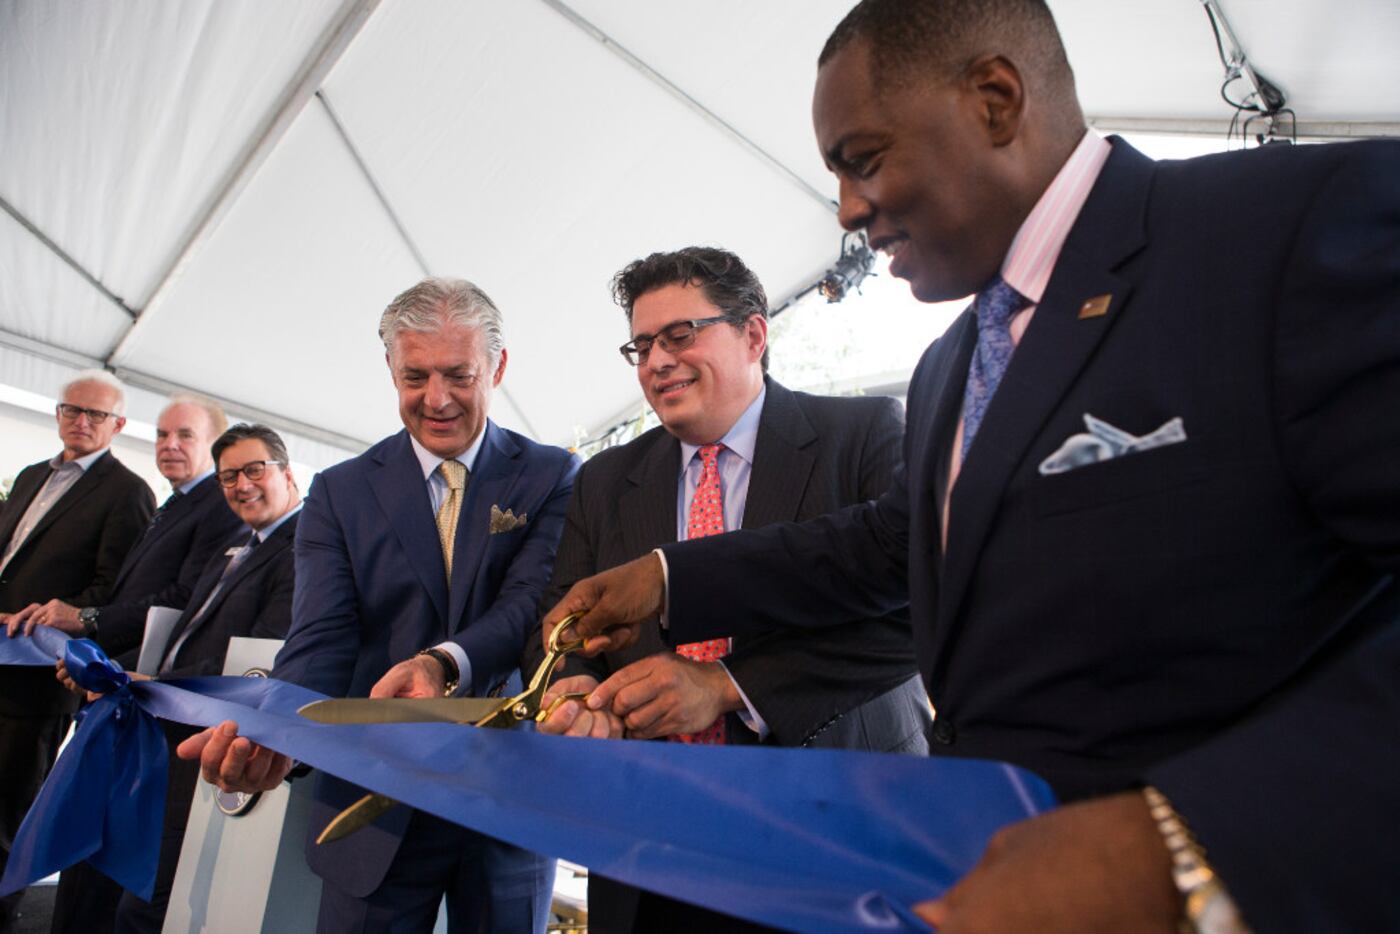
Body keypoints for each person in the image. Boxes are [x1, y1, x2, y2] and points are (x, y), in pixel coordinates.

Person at [541, 1, 1400, 931]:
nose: (847, 210)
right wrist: (666, 580)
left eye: (863, 160)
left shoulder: (1291, 233)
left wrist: (1182, 846)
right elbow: (887, 547)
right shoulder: (953, 364)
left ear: (995, 100)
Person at [531, 246, 930, 933]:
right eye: (642, 345)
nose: (656, 361)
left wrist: (726, 686)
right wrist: (571, 684)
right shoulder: (603, 481)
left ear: (754, 334)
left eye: (680, 335)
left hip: (832, 829)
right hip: (650, 845)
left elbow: (914, 617)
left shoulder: (862, 435)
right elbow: (570, 619)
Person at [180, 278, 580, 934]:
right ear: (390, 370)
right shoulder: (339, 493)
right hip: (372, 799)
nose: (437, 399)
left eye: (459, 374)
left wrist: (443, 664)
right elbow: (320, 635)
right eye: (415, 376)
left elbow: (531, 604)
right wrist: (275, 733)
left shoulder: (553, 475)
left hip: (507, 796)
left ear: (498, 367)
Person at [68, 423, 302, 934]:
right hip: (167, 730)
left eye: (254, 470)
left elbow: (253, 663)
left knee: (151, 905)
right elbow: (183, 631)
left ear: (288, 472)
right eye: (228, 477)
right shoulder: (240, 545)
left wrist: (147, 681)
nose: (242, 485)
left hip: (214, 742)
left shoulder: (301, 551)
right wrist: (113, 672)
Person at [34, 396, 243, 934]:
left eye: (185, 436)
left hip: (146, 699)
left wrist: (93, 627)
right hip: (118, 687)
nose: (169, 445)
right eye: (162, 434)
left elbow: (178, 600)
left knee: (108, 859)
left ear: (214, 449)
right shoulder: (172, 503)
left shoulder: (217, 507)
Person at [0, 370, 154, 933]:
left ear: (118, 425)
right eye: (72, 410)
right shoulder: (31, 475)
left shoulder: (128, 492)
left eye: (95, 414)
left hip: (38, 679)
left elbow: (114, 594)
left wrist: (46, 612)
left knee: (8, 809)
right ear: (58, 414)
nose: (81, 421)